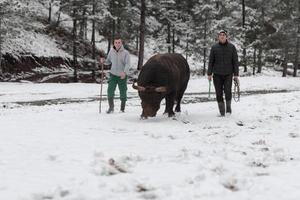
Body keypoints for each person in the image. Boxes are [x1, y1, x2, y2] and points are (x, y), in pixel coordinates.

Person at [207, 30, 239, 116]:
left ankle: (228, 109)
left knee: (228, 91)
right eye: (220, 35)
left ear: (226, 37)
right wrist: (209, 73)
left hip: (228, 74)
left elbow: (235, 61)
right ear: (218, 37)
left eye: (223, 35)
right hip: (217, 74)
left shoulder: (232, 47)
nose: (222, 36)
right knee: (218, 93)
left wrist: (236, 75)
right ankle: (222, 112)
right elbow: (211, 61)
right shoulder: (214, 47)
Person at [100, 38, 131, 113]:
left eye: (119, 42)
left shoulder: (126, 53)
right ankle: (111, 108)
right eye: (116, 42)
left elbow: (128, 64)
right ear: (114, 43)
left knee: (123, 92)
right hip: (113, 75)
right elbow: (108, 61)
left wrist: (124, 72)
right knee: (110, 91)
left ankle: (122, 109)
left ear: (121, 43)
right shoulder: (111, 51)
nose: (117, 44)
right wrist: (104, 61)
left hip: (122, 75)